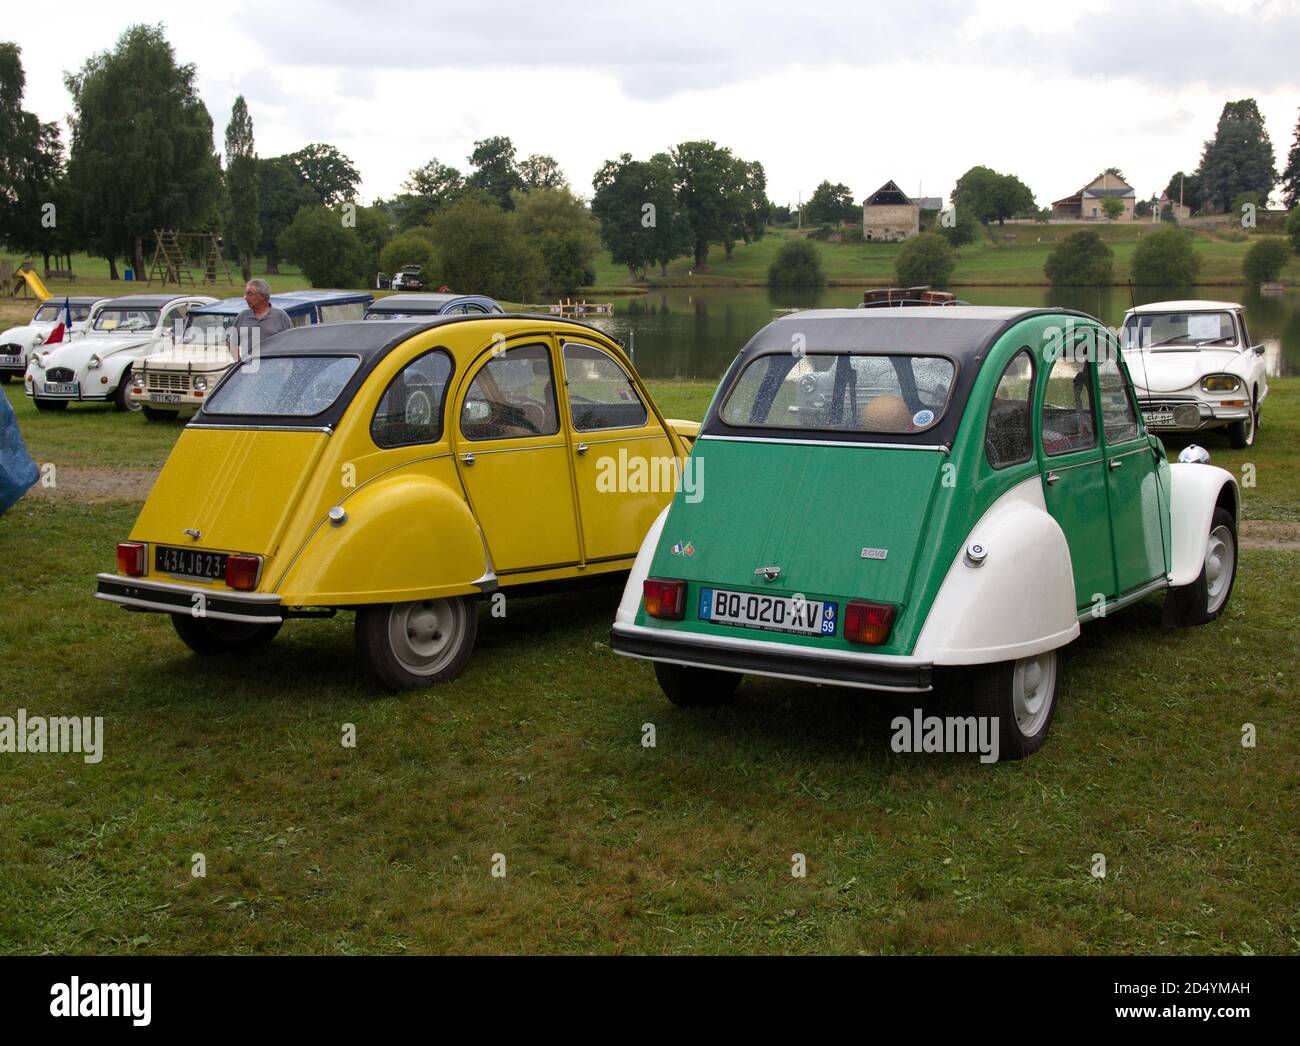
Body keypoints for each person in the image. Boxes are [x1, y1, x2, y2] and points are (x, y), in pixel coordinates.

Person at [229, 279, 292, 358]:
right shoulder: (242, 316)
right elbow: (232, 343)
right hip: (249, 368)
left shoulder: (281, 316)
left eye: (249, 294)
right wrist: (238, 363)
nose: (245, 298)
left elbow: (291, 341)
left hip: (275, 368)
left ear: (262, 296)